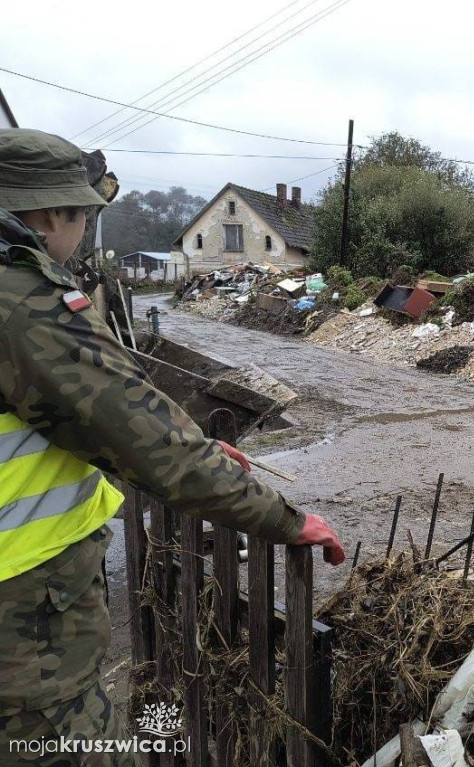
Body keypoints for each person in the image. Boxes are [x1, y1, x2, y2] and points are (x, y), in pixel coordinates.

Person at [0, 128, 345, 766]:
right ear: (53, 213)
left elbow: (68, 427)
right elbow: (146, 442)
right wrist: (288, 520)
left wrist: (195, 449)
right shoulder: (21, 301)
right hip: (23, 632)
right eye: (83, 215)